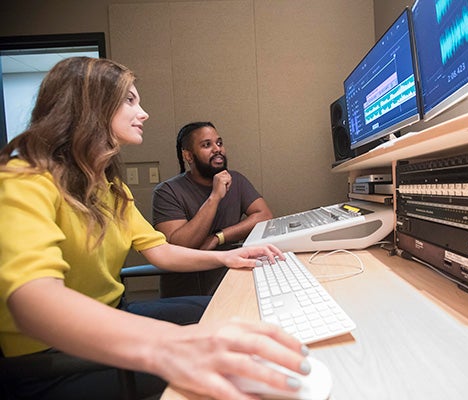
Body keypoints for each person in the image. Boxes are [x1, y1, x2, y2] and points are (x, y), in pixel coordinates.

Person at [0, 57, 309, 400]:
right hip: (51, 358)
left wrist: (229, 257)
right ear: (90, 105)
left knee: (227, 315)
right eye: (130, 100)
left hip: (113, 315)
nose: (143, 112)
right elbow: (34, 303)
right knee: (228, 370)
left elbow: (160, 251)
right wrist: (167, 346)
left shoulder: (111, 188)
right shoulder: (21, 179)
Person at [152, 122, 273, 296]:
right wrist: (214, 197)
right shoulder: (166, 192)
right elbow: (180, 244)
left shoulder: (236, 180)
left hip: (232, 281)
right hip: (188, 292)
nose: (217, 149)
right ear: (189, 156)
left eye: (219, 143)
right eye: (207, 145)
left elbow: (264, 216)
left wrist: (218, 237)